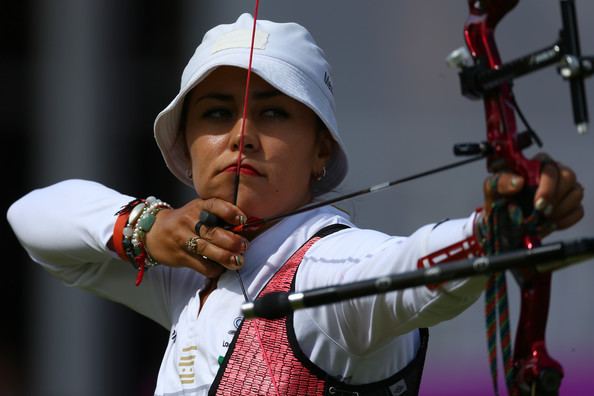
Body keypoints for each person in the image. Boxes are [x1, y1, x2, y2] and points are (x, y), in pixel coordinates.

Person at [7, 13, 584, 396]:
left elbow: (408, 269)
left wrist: (493, 230)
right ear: (186, 145)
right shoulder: (187, 278)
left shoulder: (328, 272)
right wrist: (145, 226)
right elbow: (32, 218)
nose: (242, 134)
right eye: (214, 113)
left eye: (274, 113)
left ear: (320, 150)